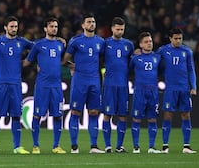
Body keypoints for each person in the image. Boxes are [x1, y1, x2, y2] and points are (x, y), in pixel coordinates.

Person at [0, 16, 33, 155]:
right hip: (1, 84)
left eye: (16, 26)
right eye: (11, 26)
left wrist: (28, 60)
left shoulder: (21, 42)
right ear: (5, 27)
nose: (14, 29)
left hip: (16, 84)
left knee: (16, 116)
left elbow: (37, 47)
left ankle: (17, 147)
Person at [63, 13, 105, 154]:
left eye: (93, 22)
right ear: (83, 25)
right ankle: (74, 146)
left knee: (93, 112)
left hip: (94, 80)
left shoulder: (100, 42)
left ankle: (93, 146)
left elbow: (106, 58)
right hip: (79, 80)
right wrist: (72, 66)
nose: (91, 24)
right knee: (75, 111)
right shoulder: (75, 41)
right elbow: (64, 60)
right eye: (88, 22)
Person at [23, 17, 66, 154]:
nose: (54, 28)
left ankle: (56, 146)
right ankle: (36, 146)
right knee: (37, 116)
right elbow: (27, 62)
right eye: (51, 26)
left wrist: (74, 67)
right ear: (45, 29)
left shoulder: (60, 45)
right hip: (42, 85)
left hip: (57, 86)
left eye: (55, 26)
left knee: (58, 115)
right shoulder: (38, 45)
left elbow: (63, 61)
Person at [157, 28, 198, 154]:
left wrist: (193, 86)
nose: (178, 41)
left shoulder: (187, 51)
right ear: (170, 38)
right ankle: (165, 146)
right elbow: (154, 62)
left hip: (184, 89)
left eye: (180, 38)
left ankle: (186, 146)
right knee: (168, 115)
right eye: (176, 38)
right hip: (170, 89)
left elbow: (191, 70)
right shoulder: (163, 50)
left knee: (185, 115)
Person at [102, 17, 134, 153]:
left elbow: (133, 63)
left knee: (122, 115)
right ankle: (108, 145)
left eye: (122, 29)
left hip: (123, 85)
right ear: (112, 28)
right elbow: (97, 60)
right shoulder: (105, 43)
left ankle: (119, 146)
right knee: (107, 115)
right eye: (117, 29)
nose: (120, 31)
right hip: (109, 84)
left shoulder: (128, 45)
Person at [129, 32, 162, 154]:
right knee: (137, 119)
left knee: (152, 119)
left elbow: (162, 71)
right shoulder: (135, 58)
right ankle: (136, 147)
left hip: (153, 91)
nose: (149, 43)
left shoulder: (157, 57)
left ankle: (151, 147)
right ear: (141, 44)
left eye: (150, 41)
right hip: (140, 91)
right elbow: (128, 70)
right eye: (146, 42)